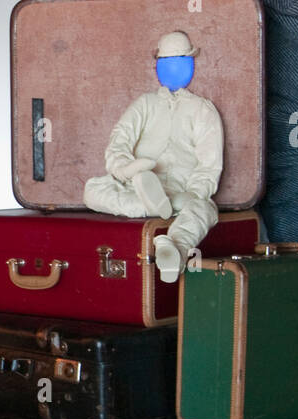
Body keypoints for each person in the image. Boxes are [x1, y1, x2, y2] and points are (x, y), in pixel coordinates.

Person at [83, 30, 224, 282]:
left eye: (180, 62)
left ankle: (176, 247)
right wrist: (125, 169)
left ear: (191, 63)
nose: (173, 69)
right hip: (135, 186)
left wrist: (194, 193)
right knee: (92, 190)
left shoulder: (202, 110)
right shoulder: (145, 103)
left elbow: (209, 165)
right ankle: (149, 206)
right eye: (166, 62)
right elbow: (119, 140)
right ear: (157, 65)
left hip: (180, 194)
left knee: (205, 209)